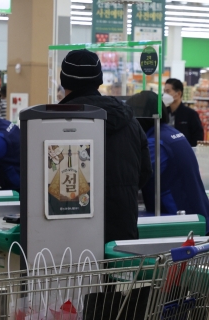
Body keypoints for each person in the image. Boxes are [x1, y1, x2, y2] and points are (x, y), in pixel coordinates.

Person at [58, 49, 151, 243]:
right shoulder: (131, 122)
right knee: (118, 273)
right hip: (122, 230)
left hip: (72, 231)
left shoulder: (59, 123)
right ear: (98, 81)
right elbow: (145, 171)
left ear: (63, 81)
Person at [127, 91, 209, 234]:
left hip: (180, 222)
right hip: (196, 216)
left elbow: (134, 177)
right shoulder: (170, 133)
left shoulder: (155, 142)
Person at [164, 78, 204, 147]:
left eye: (168, 91)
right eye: (164, 91)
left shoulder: (190, 114)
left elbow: (198, 137)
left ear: (178, 94)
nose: (165, 95)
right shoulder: (163, 113)